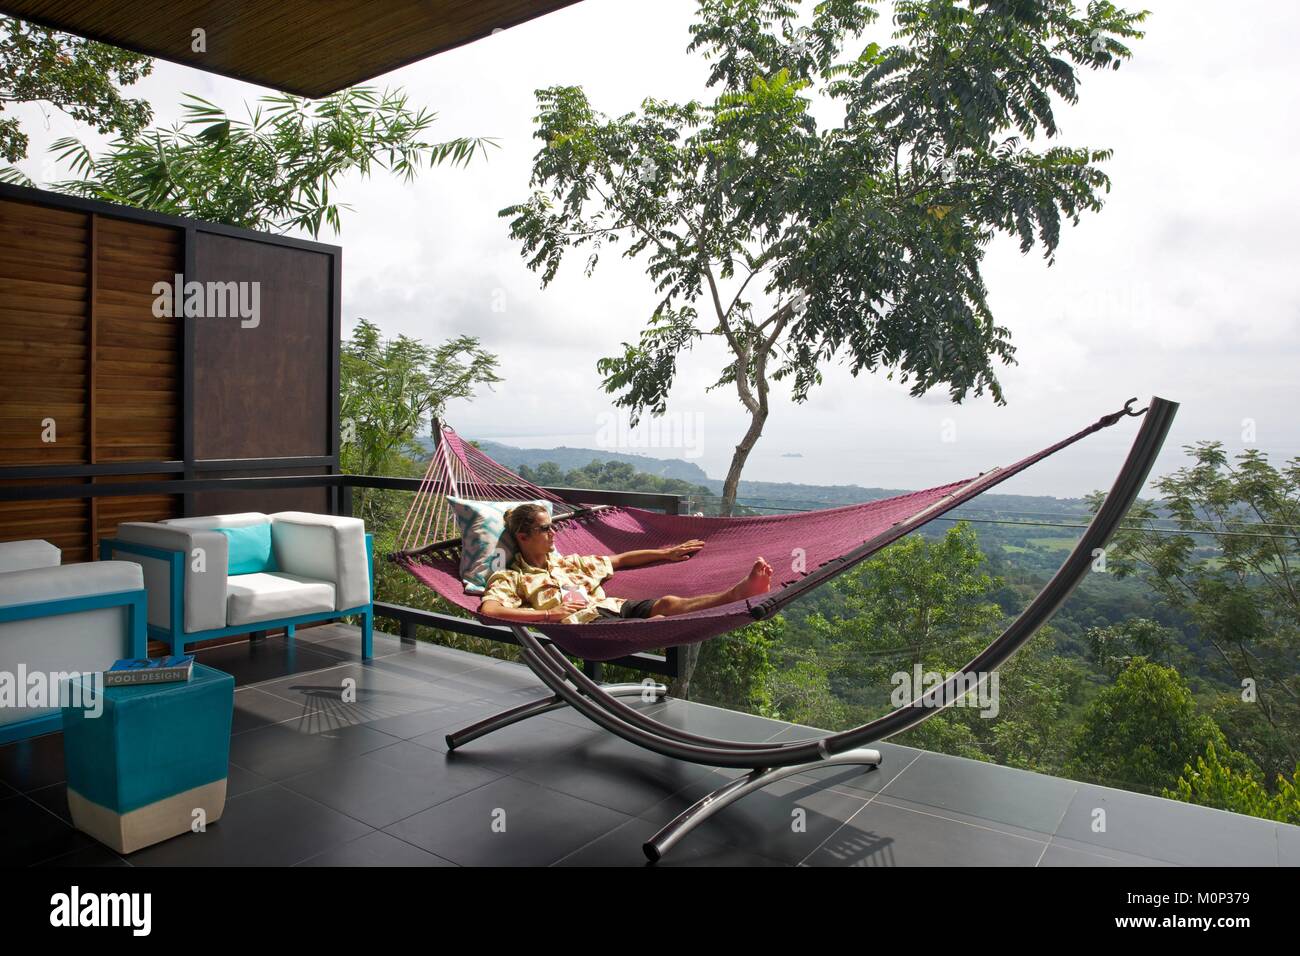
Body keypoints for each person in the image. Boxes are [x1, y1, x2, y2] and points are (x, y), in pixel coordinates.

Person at [478, 502, 773, 625]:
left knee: (668, 604)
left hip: (613, 607)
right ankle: (649, 629)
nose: (554, 532)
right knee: (653, 624)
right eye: (545, 529)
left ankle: (736, 595)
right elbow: (489, 610)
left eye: (552, 525)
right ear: (523, 536)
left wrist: (666, 553)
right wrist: (548, 616)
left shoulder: (567, 563)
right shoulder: (514, 577)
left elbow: (617, 560)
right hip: (589, 626)